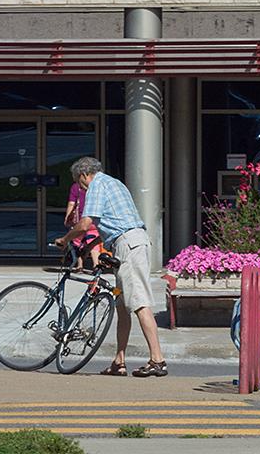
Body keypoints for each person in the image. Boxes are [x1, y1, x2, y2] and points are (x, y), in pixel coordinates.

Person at [54, 156, 167, 377]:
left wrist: (66, 239)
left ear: (84, 175)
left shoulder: (96, 185)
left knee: (140, 302)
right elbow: (115, 221)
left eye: (79, 182)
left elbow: (87, 223)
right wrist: (93, 246)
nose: (80, 187)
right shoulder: (114, 183)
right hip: (128, 242)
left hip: (128, 246)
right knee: (122, 306)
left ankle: (157, 360)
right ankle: (119, 361)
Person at [64, 179, 102, 271]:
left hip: (80, 219)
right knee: (93, 241)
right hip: (94, 218)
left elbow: (71, 203)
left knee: (78, 242)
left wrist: (67, 216)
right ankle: (95, 264)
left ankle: (80, 265)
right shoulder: (97, 186)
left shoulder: (75, 187)